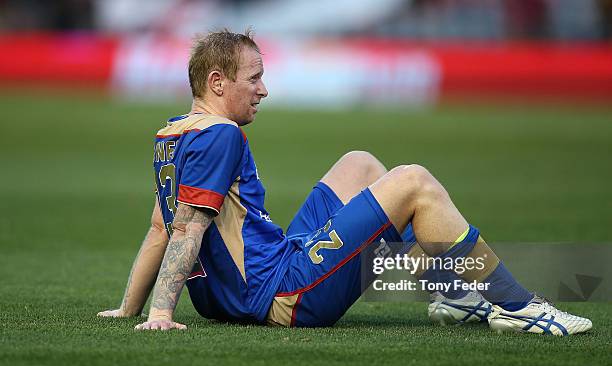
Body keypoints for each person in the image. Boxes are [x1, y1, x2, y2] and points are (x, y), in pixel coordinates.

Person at [98, 29, 592, 336]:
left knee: (360, 163)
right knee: (414, 182)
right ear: (216, 83)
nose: (264, 89)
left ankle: (454, 295)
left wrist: (129, 309)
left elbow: (160, 228)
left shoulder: (172, 134)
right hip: (279, 295)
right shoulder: (222, 134)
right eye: (254, 78)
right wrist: (160, 314)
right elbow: (185, 230)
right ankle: (522, 307)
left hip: (269, 268)